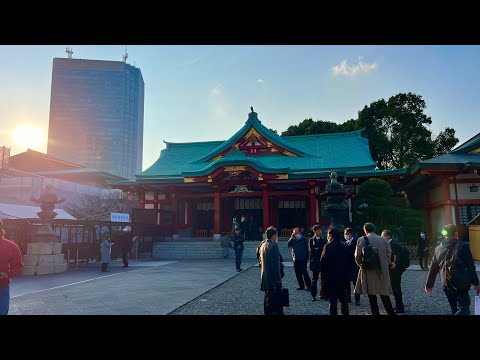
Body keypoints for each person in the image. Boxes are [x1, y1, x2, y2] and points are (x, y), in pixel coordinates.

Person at [425, 224, 480, 315]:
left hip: (446, 283)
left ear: (444, 234)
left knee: (454, 308)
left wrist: (429, 284)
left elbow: (433, 268)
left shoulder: (438, 248)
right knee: (464, 309)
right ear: (456, 233)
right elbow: (470, 266)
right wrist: (476, 283)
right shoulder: (463, 246)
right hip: (461, 282)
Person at [355, 222, 395, 315]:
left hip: (368, 270)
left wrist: (362, 265)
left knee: (371, 296)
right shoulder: (383, 239)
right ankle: (391, 312)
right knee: (384, 295)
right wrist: (386, 263)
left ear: (365, 230)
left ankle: (375, 313)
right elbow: (389, 253)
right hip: (382, 270)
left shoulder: (362, 239)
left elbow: (357, 256)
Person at [320, 228, 349, 315]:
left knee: (332, 300)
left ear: (331, 236)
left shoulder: (328, 246)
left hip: (330, 276)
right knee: (343, 299)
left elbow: (322, 261)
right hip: (342, 276)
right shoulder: (344, 246)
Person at [0, 220, 23, 315]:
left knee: (2, 312)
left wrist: (7, 273)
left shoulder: (11, 246)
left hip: (2, 286)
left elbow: (18, 265)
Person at [259, 226, 283, 315]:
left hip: (265, 275)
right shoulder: (273, 246)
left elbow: (260, 261)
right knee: (274, 299)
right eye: (276, 235)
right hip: (272, 277)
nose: (276, 237)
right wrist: (278, 280)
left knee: (267, 296)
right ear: (273, 236)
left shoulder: (263, 245)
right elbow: (275, 266)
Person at [382, 229, 405, 314]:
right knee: (395, 289)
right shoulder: (390, 244)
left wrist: (395, 262)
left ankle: (400, 307)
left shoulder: (393, 244)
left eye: (383, 235)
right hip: (392, 270)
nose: (382, 237)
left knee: (396, 289)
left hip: (395, 270)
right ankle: (398, 306)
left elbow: (397, 255)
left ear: (388, 236)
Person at [288, 227, 312, 291]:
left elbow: (307, 249)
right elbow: (288, 245)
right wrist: (291, 238)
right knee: (298, 274)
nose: (296, 233)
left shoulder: (304, 239)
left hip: (303, 258)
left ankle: (309, 286)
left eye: (297, 232)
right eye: (294, 232)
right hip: (295, 258)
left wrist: (307, 257)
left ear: (299, 232)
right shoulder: (293, 239)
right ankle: (301, 286)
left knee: (305, 273)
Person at [309, 225, 326, 301]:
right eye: (318, 230)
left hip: (322, 261)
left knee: (323, 279)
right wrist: (320, 250)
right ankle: (313, 295)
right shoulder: (311, 240)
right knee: (314, 279)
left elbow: (324, 251)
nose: (320, 232)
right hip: (315, 261)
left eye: (320, 230)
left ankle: (323, 294)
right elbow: (312, 251)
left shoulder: (323, 240)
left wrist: (318, 249)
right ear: (315, 231)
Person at [344, 227, 360, 305]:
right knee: (347, 284)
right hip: (346, 266)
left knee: (355, 283)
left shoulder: (356, 242)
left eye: (347, 234)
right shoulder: (345, 243)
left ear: (350, 234)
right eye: (345, 234)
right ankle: (348, 298)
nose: (346, 236)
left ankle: (357, 299)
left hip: (354, 265)